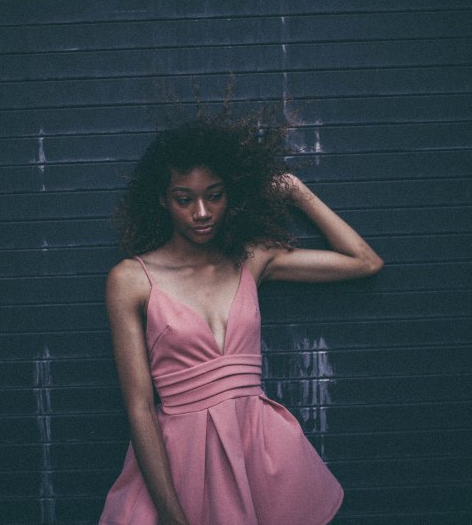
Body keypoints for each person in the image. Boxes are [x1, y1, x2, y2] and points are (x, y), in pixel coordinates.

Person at [99, 112, 383, 525]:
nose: (201, 212)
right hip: (183, 462)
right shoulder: (130, 280)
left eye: (214, 195)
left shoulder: (251, 259)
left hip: (260, 454)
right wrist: (172, 516)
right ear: (162, 200)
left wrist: (295, 191)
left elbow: (365, 261)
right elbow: (140, 407)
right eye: (184, 199)